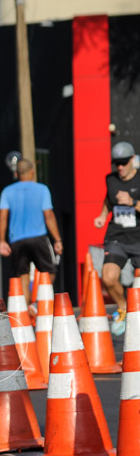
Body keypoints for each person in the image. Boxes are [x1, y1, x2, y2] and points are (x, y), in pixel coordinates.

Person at [0, 157, 62, 299]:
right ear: (32, 172)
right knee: (49, 271)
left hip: (17, 240)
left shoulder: (7, 191)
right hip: (38, 237)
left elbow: (2, 217)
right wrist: (57, 239)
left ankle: (25, 313)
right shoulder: (42, 189)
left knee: (22, 277)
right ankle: (38, 303)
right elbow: (49, 215)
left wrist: (2, 241)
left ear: (17, 174)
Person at [94, 141, 140, 336]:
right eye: (116, 164)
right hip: (117, 237)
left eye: (123, 163)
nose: (120, 167)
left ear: (132, 160)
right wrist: (103, 215)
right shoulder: (110, 179)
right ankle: (123, 308)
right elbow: (108, 199)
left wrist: (133, 202)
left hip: (138, 238)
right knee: (109, 277)